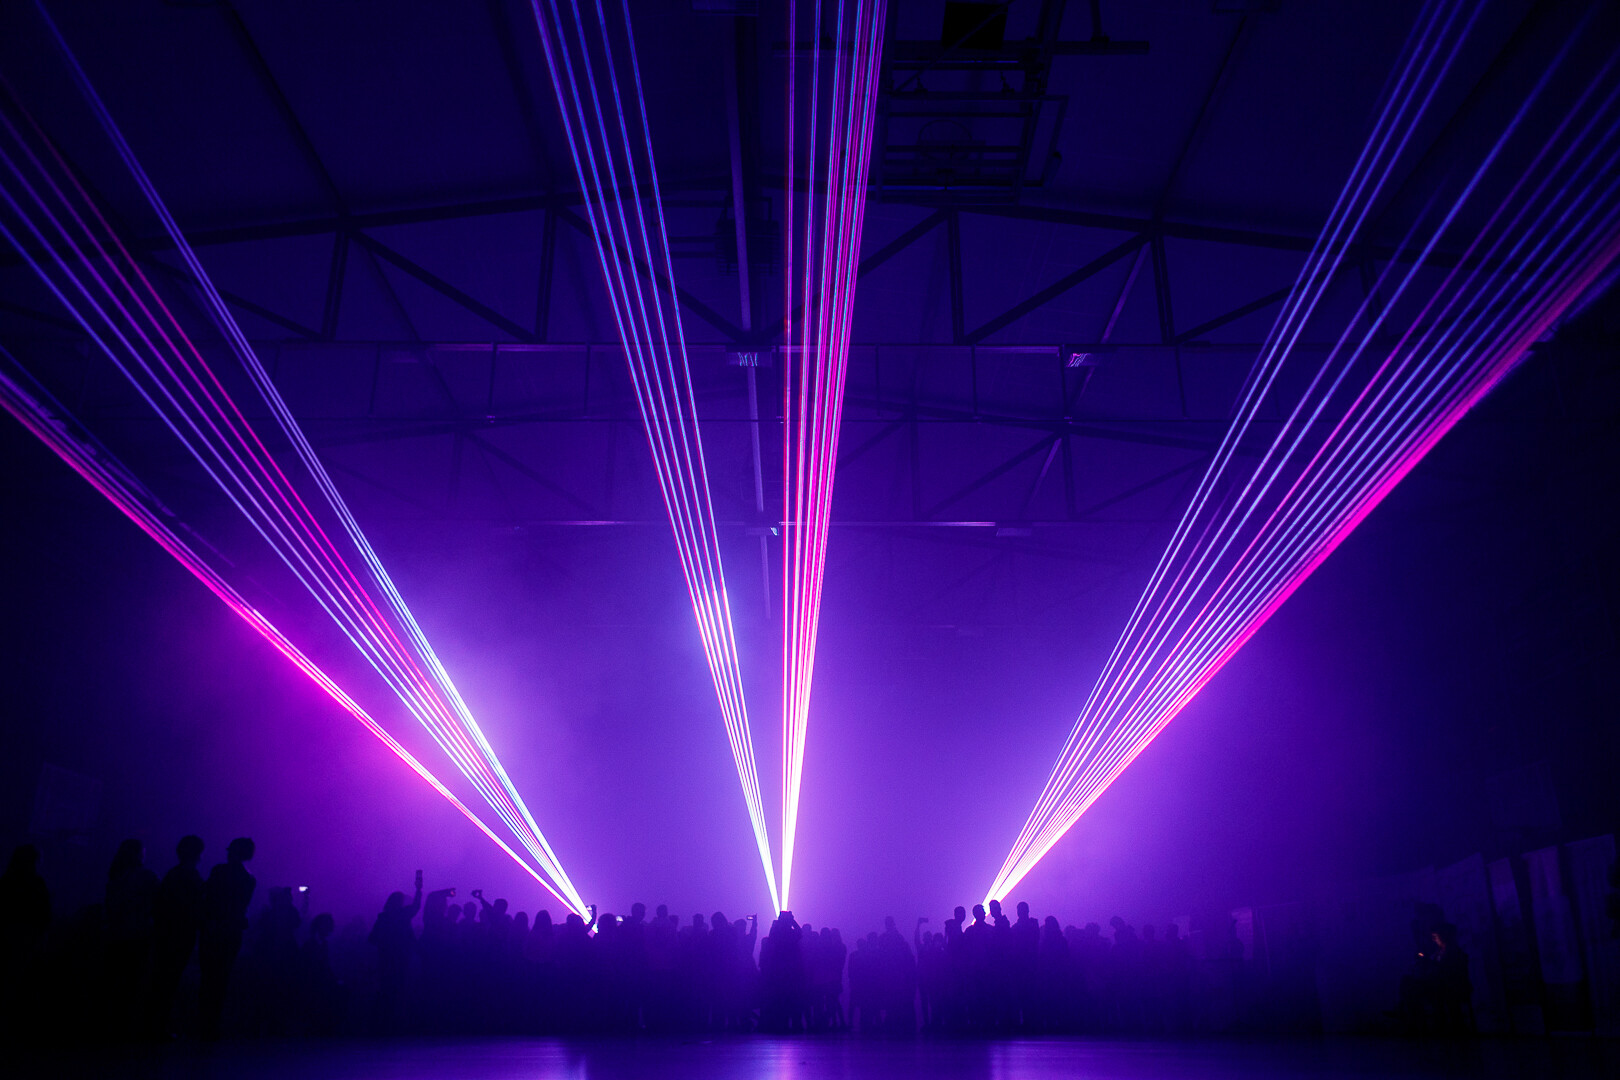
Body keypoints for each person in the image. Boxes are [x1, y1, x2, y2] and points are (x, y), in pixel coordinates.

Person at [198, 837, 256, 1040]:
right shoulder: (249, 879)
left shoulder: (220, 871)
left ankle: (202, 1022)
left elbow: (207, 898)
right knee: (222, 978)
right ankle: (212, 1024)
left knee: (207, 976)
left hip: (213, 928)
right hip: (232, 931)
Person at [150, 835, 205, 1037]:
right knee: (170, 979)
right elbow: (195, 906)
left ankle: (155, 1024)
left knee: (163, 977)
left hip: (167, 932)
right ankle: (159, 1026)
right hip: (181, 933)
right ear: (197, 854)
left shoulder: (173, 874)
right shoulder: (189, 875)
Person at [369, 871, 423, 1033]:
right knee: (398, 988)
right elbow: (416, 906)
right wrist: (418, 889)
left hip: (386, 958)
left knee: (386, 988)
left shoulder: (383, 917)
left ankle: (381, 1022)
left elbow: (372, 939)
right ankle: (393, 1022)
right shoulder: (402, 915)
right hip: (399, 957)